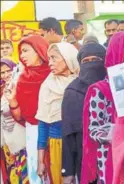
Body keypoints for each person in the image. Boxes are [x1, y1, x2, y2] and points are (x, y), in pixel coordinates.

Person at [80, 31, 124, 184]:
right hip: (112, 158)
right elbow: (94, 129)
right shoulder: (100, 89)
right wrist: (123, 135)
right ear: (121, 53)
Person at [4, 35, 50, 184]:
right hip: (33, 132)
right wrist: (12, 101)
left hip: (56, 131)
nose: (22, 56)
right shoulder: (22, 79)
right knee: (37, 172)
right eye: (20, 52)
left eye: (25, 51)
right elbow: (20, 117)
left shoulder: (54, 75)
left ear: (39, 50)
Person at [62, 42, 106, 184]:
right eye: (86, 61)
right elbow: (68, 134)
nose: (91, 64)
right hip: (85, 158)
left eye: (96, 60)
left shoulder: (115, 85)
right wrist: (68, 171)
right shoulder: (72, 91)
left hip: (113, 154)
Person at [35, 42, 79, 184]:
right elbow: (43, 125)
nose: (50, 63)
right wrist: (40, 161)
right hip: (57, 145)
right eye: (49, 59)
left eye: (54, 58)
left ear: (68, 58)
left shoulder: (81, 82)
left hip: (80, 144)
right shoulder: (47, 86)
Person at [1, 58, 29, 184]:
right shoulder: (3, 89)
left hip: (21, 140)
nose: (6, 75)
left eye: (8, 71)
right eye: (2, 73)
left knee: (24, 175)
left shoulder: (19, 86)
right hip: (8, 142)